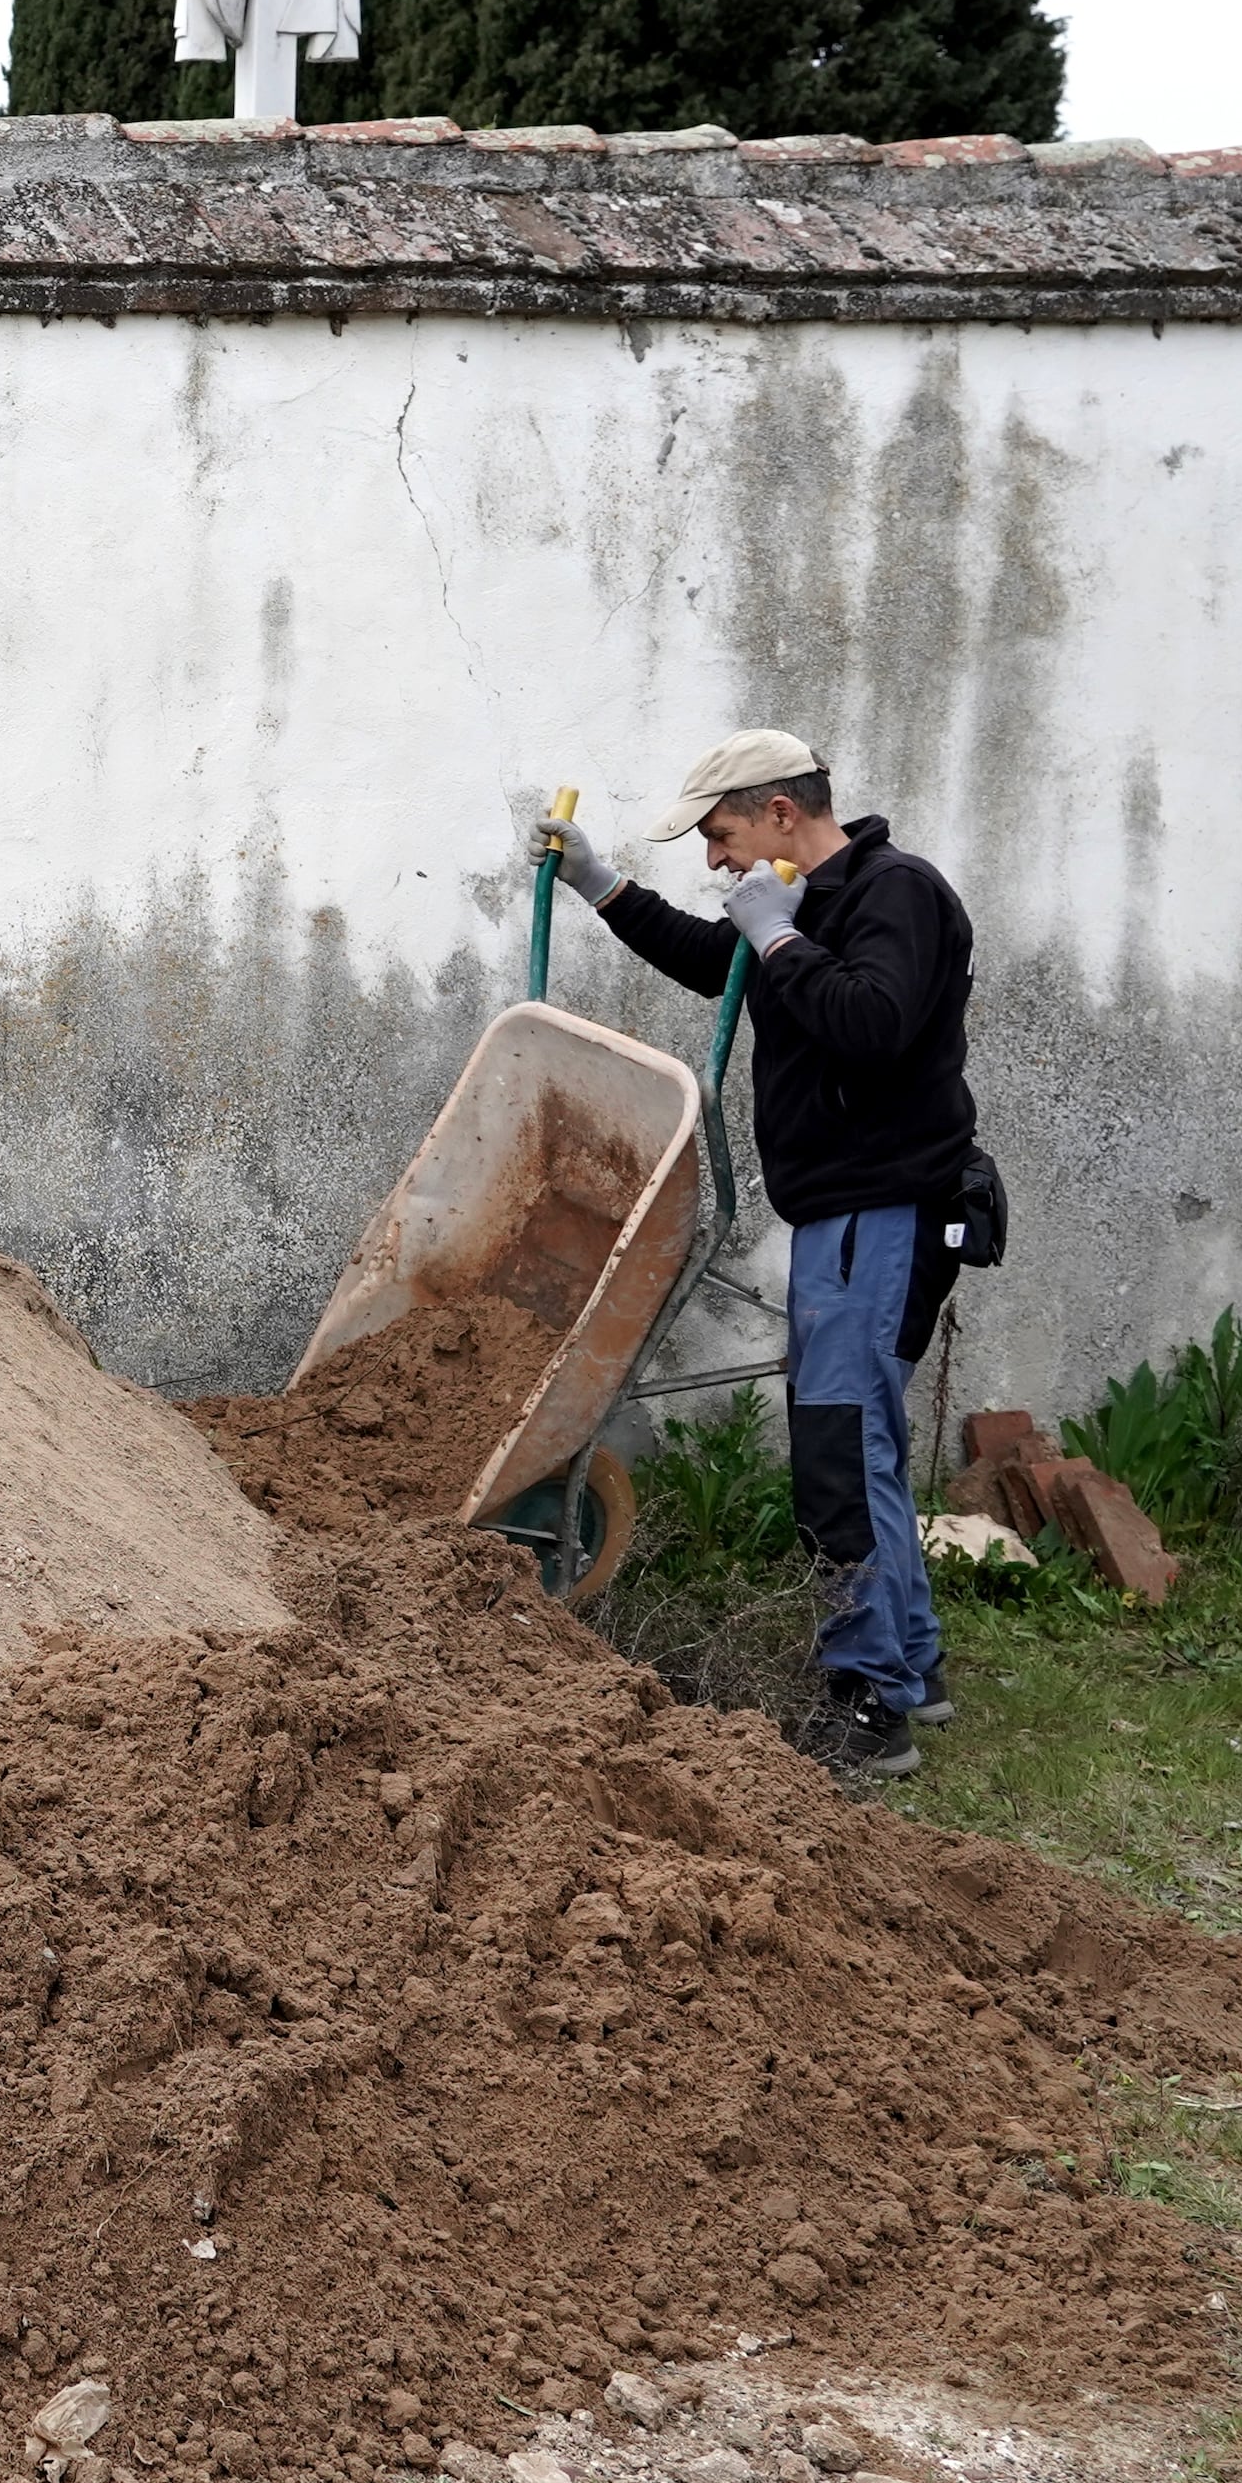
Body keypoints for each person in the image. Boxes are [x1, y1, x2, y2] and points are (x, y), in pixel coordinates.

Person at [543, 731, 980, 1781]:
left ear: (780, 812)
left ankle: (866, 1703)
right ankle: (909, 1667)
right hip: (850, 1216)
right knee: (861, 1434)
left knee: (837, 1447)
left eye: (719, 834)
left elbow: (869, 1025)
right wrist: (596, 881)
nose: (712, 861)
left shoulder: (894, 894)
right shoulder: (804, 905)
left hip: (881, 1212)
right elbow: (721, 962)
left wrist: (779, 940)